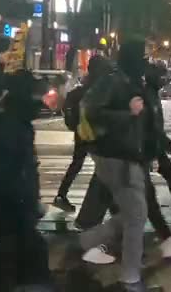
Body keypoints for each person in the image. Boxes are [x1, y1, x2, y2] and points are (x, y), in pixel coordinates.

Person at [69, 40, 164, 292]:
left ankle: (86, 241)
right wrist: (128, 113)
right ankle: (130, 279)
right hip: (116, 157)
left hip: (127, 156)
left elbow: (144, 122)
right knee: (136, 216)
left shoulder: (131, 81)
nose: (145, 62)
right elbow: (91, 111)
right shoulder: (114, 81)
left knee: (136, 215)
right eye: (142, 57)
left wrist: (155, 144)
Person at [0, 69, 55, 292]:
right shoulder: (7, 129)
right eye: (35, 96)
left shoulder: (12, 125)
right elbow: (5, 177)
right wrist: (28, 204)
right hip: (6, 219)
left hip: (8, 217)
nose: (40, 102)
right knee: (13, 276)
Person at [53, 55, 113, 212]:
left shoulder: (81, 89)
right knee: (104, 166)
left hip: (82, 131)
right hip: (97, 133)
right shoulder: (99, 88)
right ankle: (104, 205)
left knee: (78, 163)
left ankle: (61, 195)